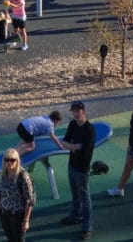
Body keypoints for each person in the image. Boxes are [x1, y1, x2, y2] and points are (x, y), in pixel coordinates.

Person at [59, 100, 96, 240]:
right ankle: (76, 216)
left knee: (85, 198)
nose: (75, 113)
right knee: (75, 195)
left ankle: (88, 226)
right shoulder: (73, 124)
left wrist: (72, 147)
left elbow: (85, 152)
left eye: (77, 111)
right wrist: (75, 147)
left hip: (82, 169)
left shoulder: (90, 129)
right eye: (73, 111)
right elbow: (64, 143)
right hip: (71, 165)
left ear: (83, 111)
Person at [0, 149, 35, 242]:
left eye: (12, 160)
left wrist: (26, 220)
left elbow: (29, 200)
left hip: (18, 214)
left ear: (17, 161)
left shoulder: (23, 176)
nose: (9, 162)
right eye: (7, 160)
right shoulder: (2, 175)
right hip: (4, 213)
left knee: (19, 239)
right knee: (10, 238)